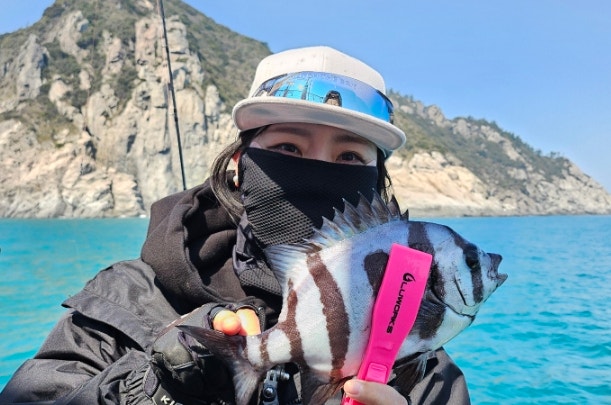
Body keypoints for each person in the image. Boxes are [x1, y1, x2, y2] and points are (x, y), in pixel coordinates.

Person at [0, 46, 470, 404]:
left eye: (349, 157)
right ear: (242, 166)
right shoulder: (124, 300)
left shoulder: (416, 357)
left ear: (375, 184)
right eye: (288, 148)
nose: (318, 171)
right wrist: (156, 384)